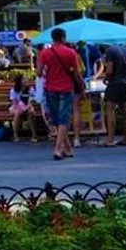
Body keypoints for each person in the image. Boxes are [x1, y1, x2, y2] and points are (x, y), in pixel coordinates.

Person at [37, 27, 82, 161]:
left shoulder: (45, 52)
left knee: (57, 119)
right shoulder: (71, 52)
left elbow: (39, 72)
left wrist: (46, 70)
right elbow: (76, 73)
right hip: (66, 88)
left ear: (52, 37)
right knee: (64, 119)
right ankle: (58, 149)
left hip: (50, 88)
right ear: (63, 37)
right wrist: (81, 86)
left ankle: (67, 148)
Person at [95, 38, 126, 148]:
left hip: (115, 83)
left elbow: (110, 69)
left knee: (110, 109)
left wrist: (105, 76)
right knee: (125, 110)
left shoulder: (110, 51)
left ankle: (110, 139)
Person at [8, 74, 38, 142]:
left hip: (28, 106)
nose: (26, 81)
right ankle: (15, 135)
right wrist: (20, 109)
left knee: (31, 113)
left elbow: (33, 100)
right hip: (17, 107)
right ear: (19, 81)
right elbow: (14, 103)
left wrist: (28, 107)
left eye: (26, 79)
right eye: (23, 79)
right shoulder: (14, 90)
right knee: (17, 113)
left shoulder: (30, 89)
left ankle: (34, 135)